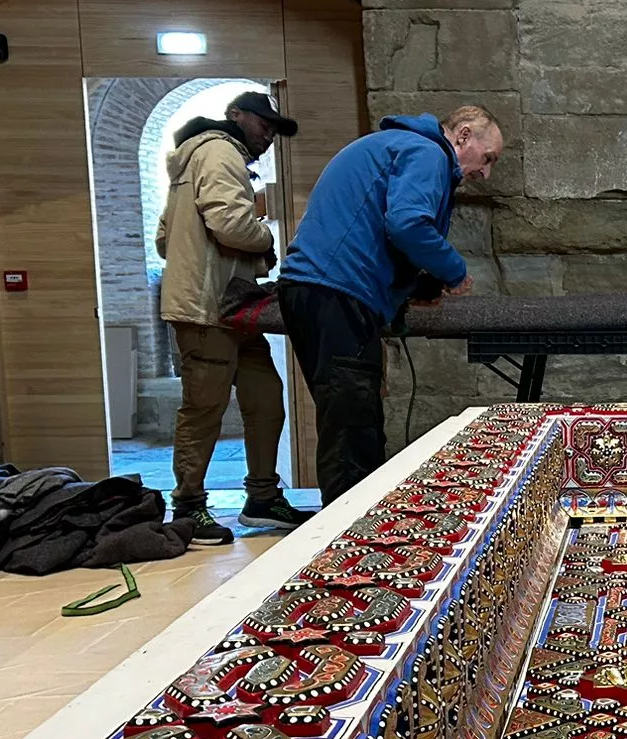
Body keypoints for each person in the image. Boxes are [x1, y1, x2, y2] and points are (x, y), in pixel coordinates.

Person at [277, 105, 502, 502]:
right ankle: (348, 547)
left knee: (351, 421)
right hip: (336, 294)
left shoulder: (397, 145)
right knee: (352, 430)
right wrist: (453, 271)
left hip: (323, 291)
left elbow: (378, 233)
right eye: (488, 159)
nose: (486, 173)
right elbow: (407, 224)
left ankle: (348, 535)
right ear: (463, 136)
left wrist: (415, 289)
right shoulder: (427, 152)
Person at [155, 88, 310, 543]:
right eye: (263, 125)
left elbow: (165, 239)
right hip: (207, 310)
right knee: (204, 407)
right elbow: (230, 224)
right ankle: (187, 509)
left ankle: (262, 498)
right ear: (235, 116)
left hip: (233, 308)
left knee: (265, 396)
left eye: (273, 131)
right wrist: (266, 240)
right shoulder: (219, 153)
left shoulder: (199, 158)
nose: (268, 137)